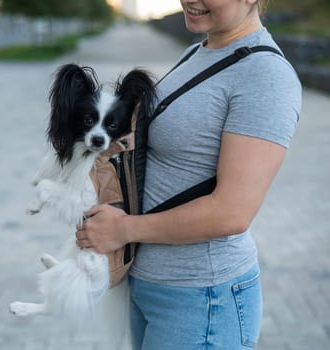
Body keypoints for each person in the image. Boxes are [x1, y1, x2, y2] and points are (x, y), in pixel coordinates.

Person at [76, 0, 302, 349]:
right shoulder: (198, 51)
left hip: (201, 299)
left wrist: (123, 229)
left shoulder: (266, 76)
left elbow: (232, 212)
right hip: (151, 286)